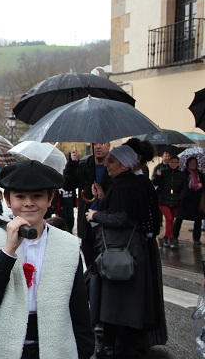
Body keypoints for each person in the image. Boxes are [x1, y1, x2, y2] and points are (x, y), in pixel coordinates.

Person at [0, 160, 94, 359]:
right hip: (1, 346)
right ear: (8, 200)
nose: (29, 203)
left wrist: (85, 350)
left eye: (37, 196)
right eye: (20, 196)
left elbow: (79, 306)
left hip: (53, 346)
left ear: (50, 198)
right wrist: (8, 252)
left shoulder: (67, 245)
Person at [87, 146, 166, 358]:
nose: (106, 165)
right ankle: (122, 346)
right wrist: (104, 197)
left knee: (114, 303)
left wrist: (95, 216)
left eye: (111, 161)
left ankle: (113, 347)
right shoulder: (133, 182)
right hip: (132, 251)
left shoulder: (123, 185)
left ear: (123, 164)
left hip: (119, 252)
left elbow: (121, 218)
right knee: (127, 303)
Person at [63, 142, 113, 267]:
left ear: (109, 145)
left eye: (102, 143)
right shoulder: (85, 165)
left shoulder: (113, 166)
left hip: (105, 223)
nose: (98, 146)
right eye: (95, 143)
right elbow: (68, 185)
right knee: (90, 264)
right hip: (87, 224)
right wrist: (72, 164)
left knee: (105, 264)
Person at [153, 156, 184, 248]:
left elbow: (184, 187)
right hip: (163, 200)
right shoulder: (164, 172)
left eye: (176, 162)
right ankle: (171, 238)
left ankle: (166, 237)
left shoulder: (181, 174)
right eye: (172, 162)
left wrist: (180, 196)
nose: (174, 164)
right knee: (169, 218)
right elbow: (156, 183)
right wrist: (158, 176)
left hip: (176, 201)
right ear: (169, 163)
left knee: (171, 220)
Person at [173, 156, 205, 246]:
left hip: (197, 200)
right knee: (179, 218)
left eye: (194, 163)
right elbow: (179, 186)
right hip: (185, 200)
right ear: (187, 164)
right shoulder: (184, 174)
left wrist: (201, 185)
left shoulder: (200, 174)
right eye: (191, 163)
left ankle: (196, 238)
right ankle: (174, 236)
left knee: (198, 220)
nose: (193, 165)